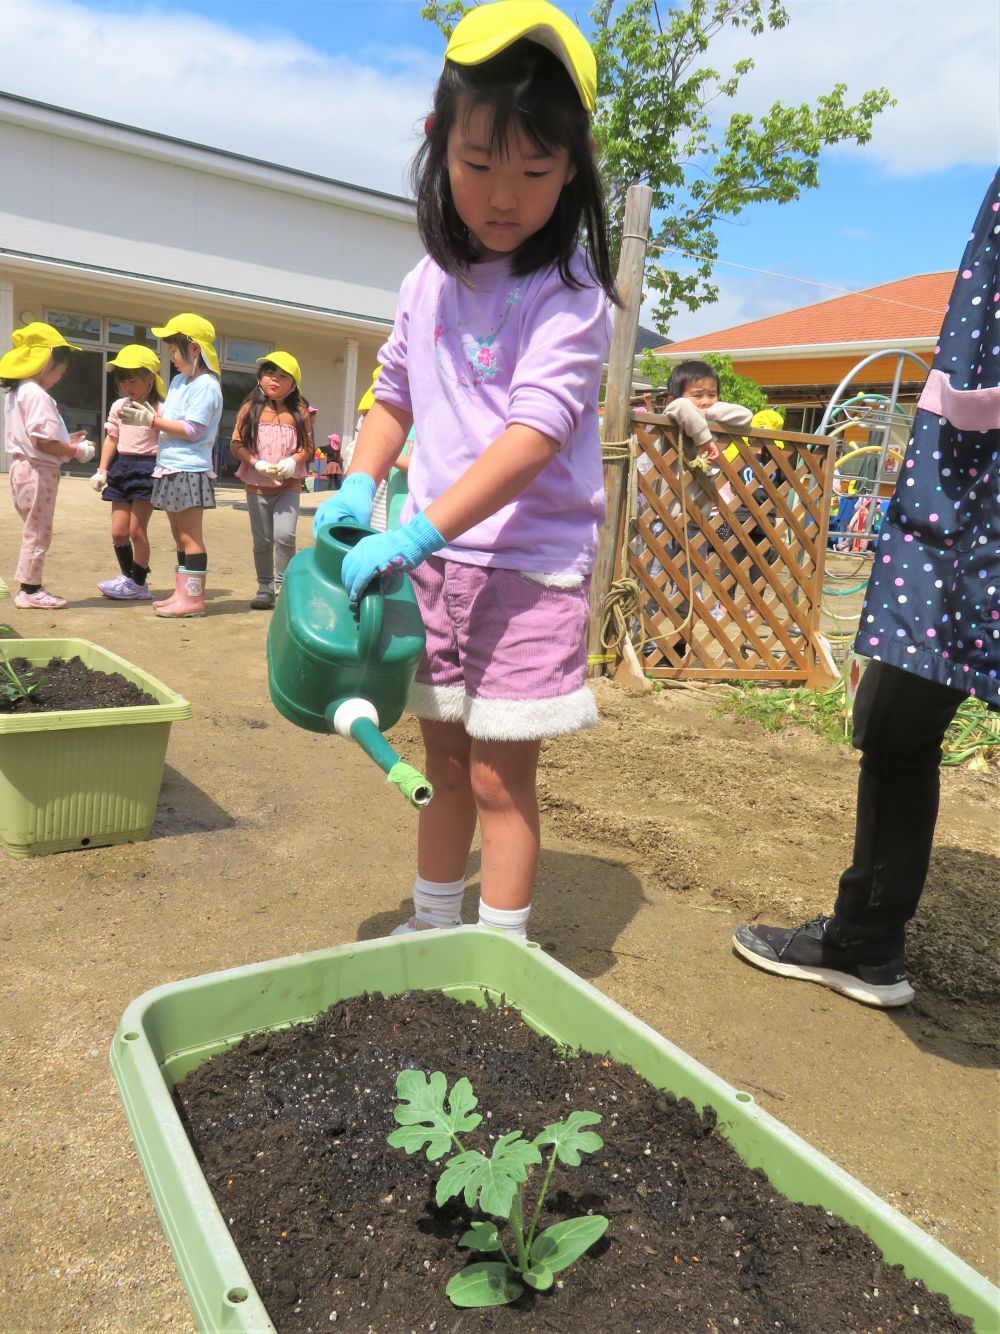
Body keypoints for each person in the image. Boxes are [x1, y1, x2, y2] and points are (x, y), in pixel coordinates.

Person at [311, 0, 616, 940]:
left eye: (535, 170)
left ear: (572, 171)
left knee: (497, 775)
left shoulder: (568, 294)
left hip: (523, 570)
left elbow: (533, 435)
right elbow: (393, 395)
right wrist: (362, 486)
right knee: (442, 761)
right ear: (440, 146)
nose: (503, 196)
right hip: (433, 564)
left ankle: (500, 952)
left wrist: (419, 527)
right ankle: (433, 922)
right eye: (480, 164)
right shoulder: (426, 282)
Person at [733, 167, 1000, 1008]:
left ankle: (865, 941)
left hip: (973, 485)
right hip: (968, 487)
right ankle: (866, 941)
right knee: (892, 718)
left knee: (895, 721)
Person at [119, 313, 222, 617]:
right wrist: (151, 418)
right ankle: (181, 594)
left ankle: (193, 599)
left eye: (175, 350)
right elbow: (172, 420)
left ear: (193, 348)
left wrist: (150, 420)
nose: (172, 358)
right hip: (170, 466)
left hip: (190, 469)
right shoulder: (179, 381)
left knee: (191, 538)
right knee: (180, 537)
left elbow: (193, 429)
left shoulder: (206, 385)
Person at [0, 322, 96, 609]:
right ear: (46, 363)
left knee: (34, 527)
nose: (59, 379)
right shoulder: (37, 394)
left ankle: (30, 587)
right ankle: (30, 590)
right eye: (60, 372)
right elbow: (45, 442)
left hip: (21, 469)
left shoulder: (18, 392)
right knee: (39, 531)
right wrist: (76, 450)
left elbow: (37, 436)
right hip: (37, 472)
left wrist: (67, 440)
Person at [229, 352, 313, 610]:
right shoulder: (250, 409)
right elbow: (236, 444)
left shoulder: (300, 412)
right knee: (263, 539)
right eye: (270, 374)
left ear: (293, 383)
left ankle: (283, 586)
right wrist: (256, 463)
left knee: (285, 535)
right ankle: (264, 587)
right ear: (260, 378)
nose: (275, 380)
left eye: (282, 376)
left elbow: (307, 446)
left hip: (289, 484)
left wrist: (294, 461)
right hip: (256, 485)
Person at [92, 345, 165, 601]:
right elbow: (112, 438)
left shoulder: (160, 409)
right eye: (122, 380)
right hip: (121, 467)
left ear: (150, 378)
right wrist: (102, 469)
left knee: (136, 531)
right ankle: (129, 578)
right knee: (118, 532)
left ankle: (139, 583)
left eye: (132, 379)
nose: (126, 386)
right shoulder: (119, 406)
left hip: (148, 469)